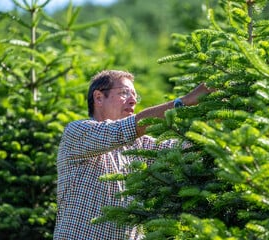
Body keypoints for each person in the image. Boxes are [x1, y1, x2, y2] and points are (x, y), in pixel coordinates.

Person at [53, 70, 212, 239]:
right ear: (98, 97)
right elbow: (124, 129)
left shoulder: (139, 144)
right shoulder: (77, 132)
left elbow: (184, 152)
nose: (133, 100)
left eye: (135, 95)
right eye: (124, 93)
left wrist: (217, 120)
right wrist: (184, 102)